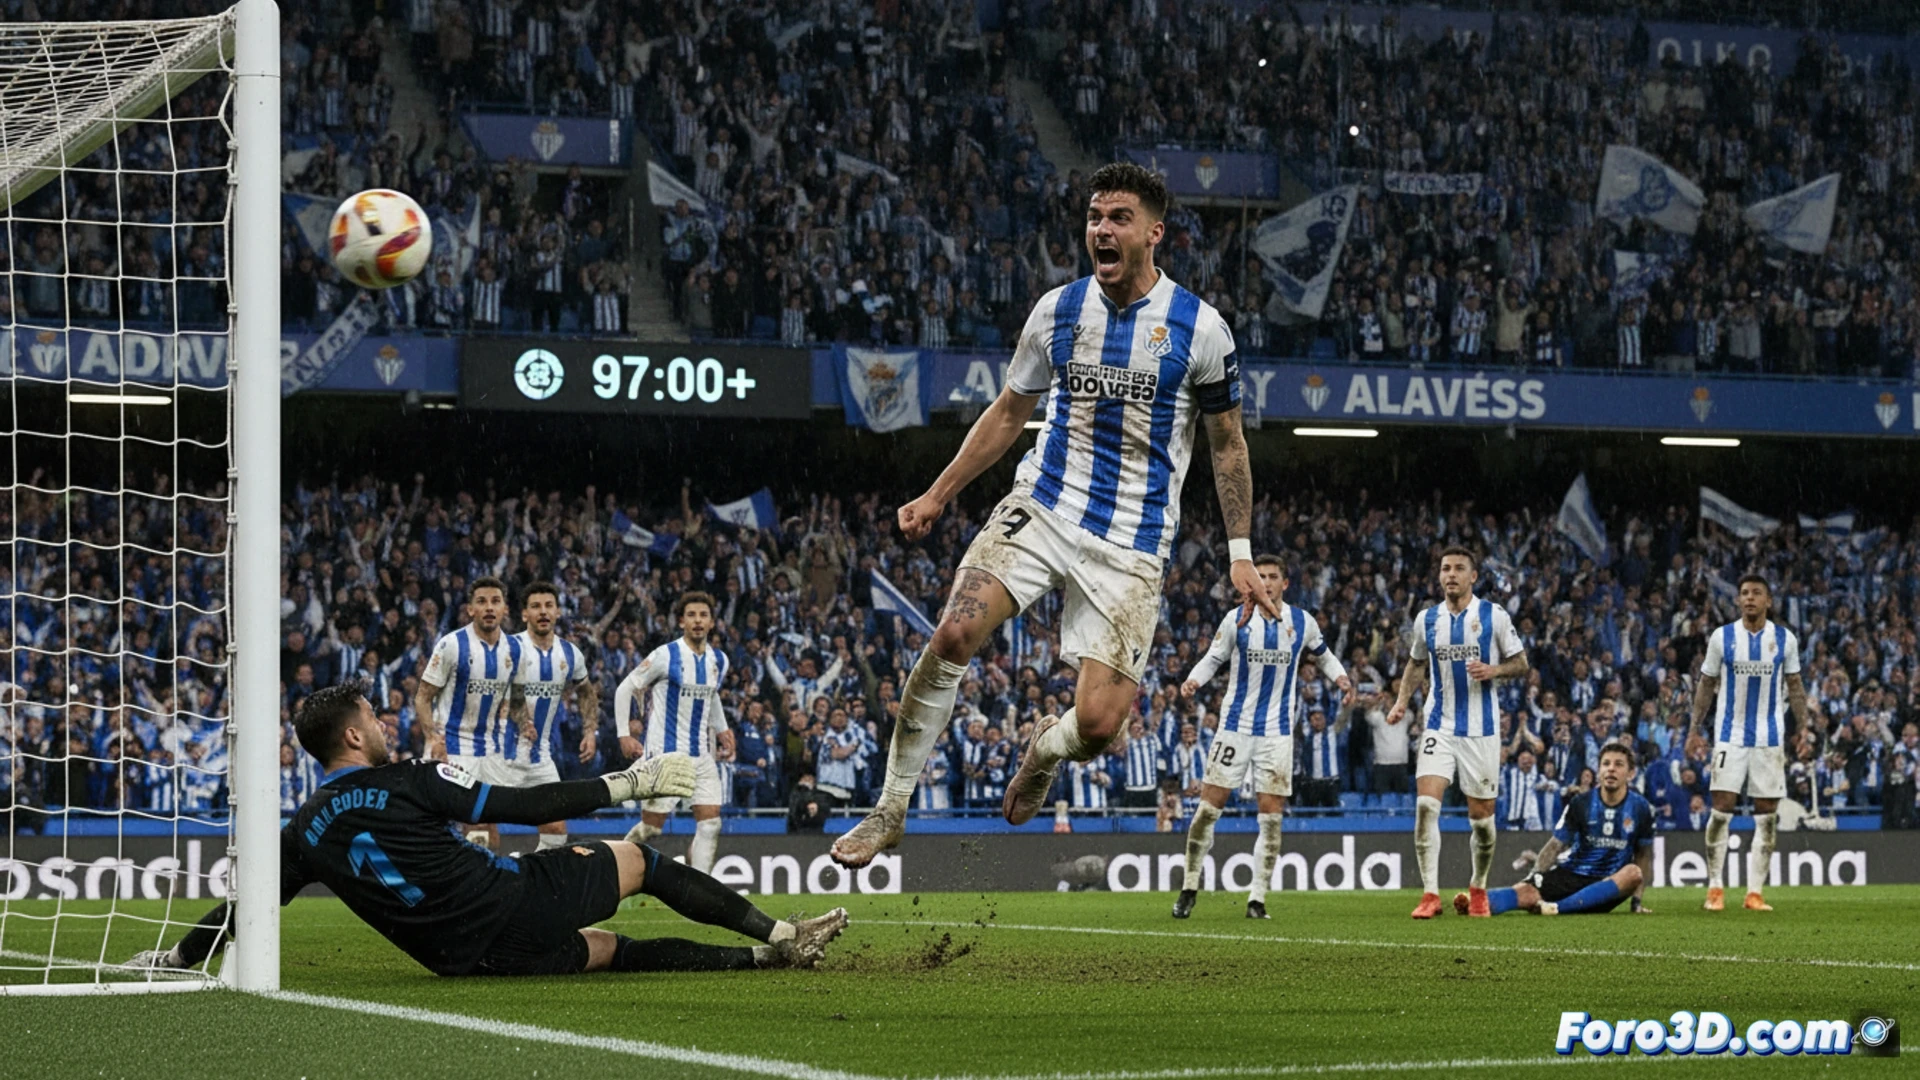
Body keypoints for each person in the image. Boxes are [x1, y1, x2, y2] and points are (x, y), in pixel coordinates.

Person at [832, 162, 1267, 867]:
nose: (1101, 228)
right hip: (1043, 506)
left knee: (1096, 728)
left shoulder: (1201, 329)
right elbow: (1009, 412)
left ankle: (1047, 747)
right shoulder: (1057, 311)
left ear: (1155, 233)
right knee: (951, 634)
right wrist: (938, 494)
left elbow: (1227, 444)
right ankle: (888, 809)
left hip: (1131, 542)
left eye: (1119, 217)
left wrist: (1240, 550)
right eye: (1095, 216)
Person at [127, 685, 846, 977]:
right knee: (638, 861)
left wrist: (183, 957)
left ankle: (754, 966)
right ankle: (779, 936)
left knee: (606, 951)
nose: (384, 724)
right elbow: (526, 809)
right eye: (374, 718)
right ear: (353, 734)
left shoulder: (304, 830)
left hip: (459, 957)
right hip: (510, 899)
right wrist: (629, 783)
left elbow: (245, 907)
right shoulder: (409, 778)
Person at [1171, 555, 1348, 919]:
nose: (1265, 582)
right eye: (1260, 576)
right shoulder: (1238, 618)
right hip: (1235, 728)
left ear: (1285, 583)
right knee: (1207, 812)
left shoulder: (1301, 622)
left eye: (1272, 576)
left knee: (1271, 820)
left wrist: (1342, 678)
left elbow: (1325, 656)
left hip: (1277, 734)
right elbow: (1213, 657)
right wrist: (1193, 679)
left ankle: (1257, 899)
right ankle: (1189, 886)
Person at [1389, 546, 1529, 918]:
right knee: (1425, 806)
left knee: (1482, 821)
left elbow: (1521, 663)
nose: (1450, 574)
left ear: (1473, 577)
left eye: (1458, 569)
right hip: (1439, 725)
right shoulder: (1427, 620)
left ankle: (1478, 886)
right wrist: (1402, 701)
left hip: (1481, 731)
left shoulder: (1493, 616)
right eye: (1445, 569)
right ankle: (1430, 894)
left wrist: (1494, 670)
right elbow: (1416, 664)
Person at [1690, 574, 1808, 912]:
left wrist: (1803, 729)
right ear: (1738, 600)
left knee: (1766, 816)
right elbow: (1706, 684)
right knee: (1721, 810)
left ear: (1768, 601)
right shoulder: (1722, 637)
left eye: (1757, 593)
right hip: (1730, 736)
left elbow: (1796, 687)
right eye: (1744, 593)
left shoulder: (1784, 639)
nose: (1750, 598)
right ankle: (1715, 887)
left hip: (1769, 739)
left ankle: (1754, 893)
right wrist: (1693, 728)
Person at [1463, 742, 1653, 916]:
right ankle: (1475, 903)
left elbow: (1643, 855)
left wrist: (1636, 901)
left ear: (1631, 773)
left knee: (1633, 873)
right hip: (1572, 875)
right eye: (1606, 764)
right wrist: (1533, 877)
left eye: (1618, 764)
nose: (1611, 769)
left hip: (1608, 884)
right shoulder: (1581, 803)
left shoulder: (1641, 808)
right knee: (1526, 892)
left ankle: (1556, 908)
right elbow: (1556, 845)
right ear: (1599, 770)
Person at [616, 592, 732, 873]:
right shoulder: (665, 655)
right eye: (691, 615)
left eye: (703, 615)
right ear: (681, 621)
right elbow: (625, 688)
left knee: (710, 823)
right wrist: (624, 734)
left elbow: (711, 695)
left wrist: (723, 729)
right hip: (665, 756)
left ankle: (700, 891)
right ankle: (616, 865)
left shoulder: (720, 660)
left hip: (702, 756)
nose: (698, 621)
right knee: (650, 830)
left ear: (712, 622)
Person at [414, 576, 526, 850]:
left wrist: (524, 725)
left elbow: (517, 700)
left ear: (505, 609)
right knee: (462, 823)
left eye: (495, 601)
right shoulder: (452, 645)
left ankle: (489, 886)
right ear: (470, 609)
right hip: (451, 744)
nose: (489, 607)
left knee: (489, 823)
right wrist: (433, 739)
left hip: (489, 747)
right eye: (482, 601)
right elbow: (422, 697)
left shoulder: (515, 649)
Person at [510, 581, 598, 851]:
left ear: (558, 612)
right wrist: (520, 718)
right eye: (535, 606)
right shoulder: (509, 649)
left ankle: (530, 884)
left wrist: (589, 731)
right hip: (500, 755)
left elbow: (585, 692)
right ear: (525, 614)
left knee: (556, 832)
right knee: (481, 828)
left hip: (540, 756)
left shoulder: (570, 653)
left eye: (549, 606)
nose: (543, 612)